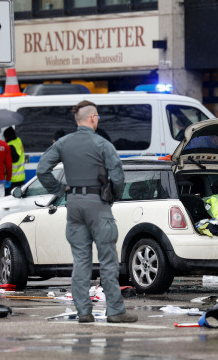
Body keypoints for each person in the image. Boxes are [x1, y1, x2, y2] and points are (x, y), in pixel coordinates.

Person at [37, 100, 137, 324]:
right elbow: (118, 176)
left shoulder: (63, 143)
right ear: (92, 118)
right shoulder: (102, 144)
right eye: (98, 117)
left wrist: (60, 189)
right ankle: (115, 311)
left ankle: (84, 312)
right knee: (108, 261)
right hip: (98, 204)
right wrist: (114, 195)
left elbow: (42, 169)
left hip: (73, 205)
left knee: (81, 260)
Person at [3, 127, 26, 196]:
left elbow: (12, 160)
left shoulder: (10, 146)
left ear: (7, 137)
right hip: (21, 177)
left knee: (10, 200)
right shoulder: (18, 142)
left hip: (12, 179)